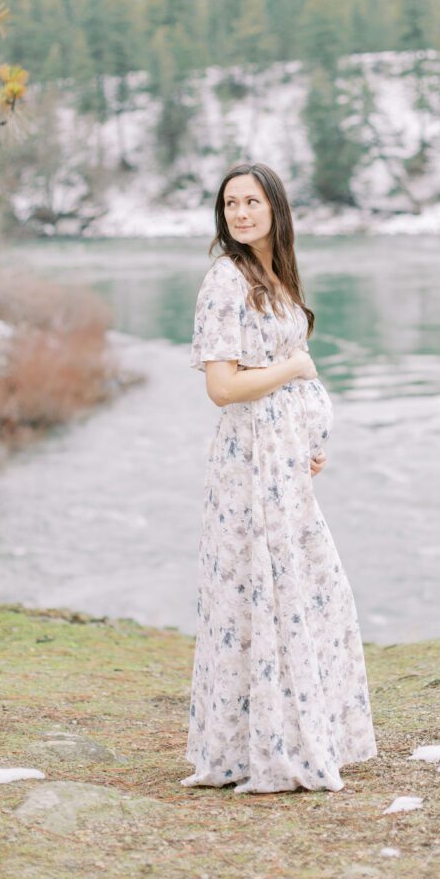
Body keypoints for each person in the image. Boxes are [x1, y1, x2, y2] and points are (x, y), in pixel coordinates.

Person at [180, 162, 377, 794]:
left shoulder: (274, 274)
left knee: (304, 591)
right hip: (249, 464)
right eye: (230, 203)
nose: (239, 213)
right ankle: (259, 746)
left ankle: (293, 733)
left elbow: (292, 372)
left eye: (251, 202)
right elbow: (223, 387)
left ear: (275, 209)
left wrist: (310, 437)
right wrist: (294, 369)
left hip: (283, 463)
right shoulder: (225, 279)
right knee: (263, 595)